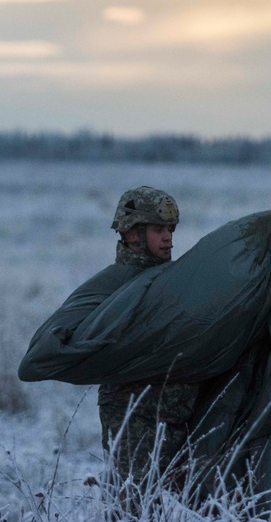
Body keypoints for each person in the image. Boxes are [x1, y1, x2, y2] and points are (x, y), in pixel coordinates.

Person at [89, 187, 198, 485]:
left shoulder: (176, 281)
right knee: (131, 505)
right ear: (133, 234)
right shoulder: (113, 289)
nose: (168, 237)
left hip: (179, 415)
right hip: (131, 416)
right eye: (158, 229)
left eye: (170, 229)